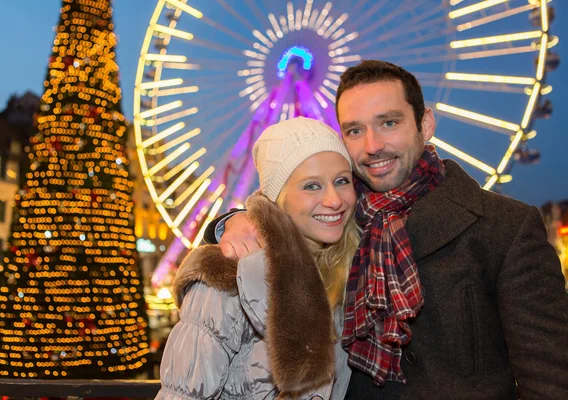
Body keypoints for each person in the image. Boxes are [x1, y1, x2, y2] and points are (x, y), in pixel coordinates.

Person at [204, 60, 568, 399]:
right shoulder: (339, 216)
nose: (372, 145)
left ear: (425, 124)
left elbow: (550, 378)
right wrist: (229, 222)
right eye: (355, 130)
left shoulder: (504, 227)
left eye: (389, 123)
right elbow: (281, 211)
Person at [155, 117, 358, 399]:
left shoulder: (351, 268)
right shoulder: (226, 274)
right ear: (278, 197)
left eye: (341, 181)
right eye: (311, 186)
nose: (334, 200)